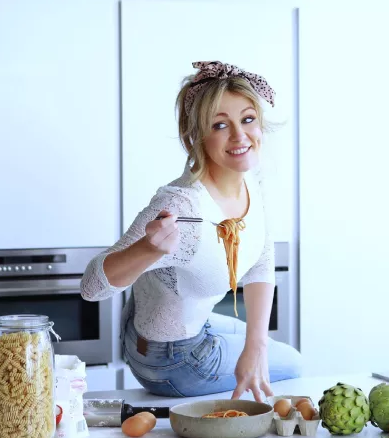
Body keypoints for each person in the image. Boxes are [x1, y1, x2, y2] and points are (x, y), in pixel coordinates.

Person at [80, 61, 302, 402]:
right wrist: (147, 250)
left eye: (247, 119)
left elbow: (262, 257)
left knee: (264, 347)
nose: (240, 136)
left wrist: (255, 346)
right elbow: (91, 287)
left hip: (195, 323)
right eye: (220, 125)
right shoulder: (181, 206)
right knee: (293, 363)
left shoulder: (250, 181)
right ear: (195, 137)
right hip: (168, 358)